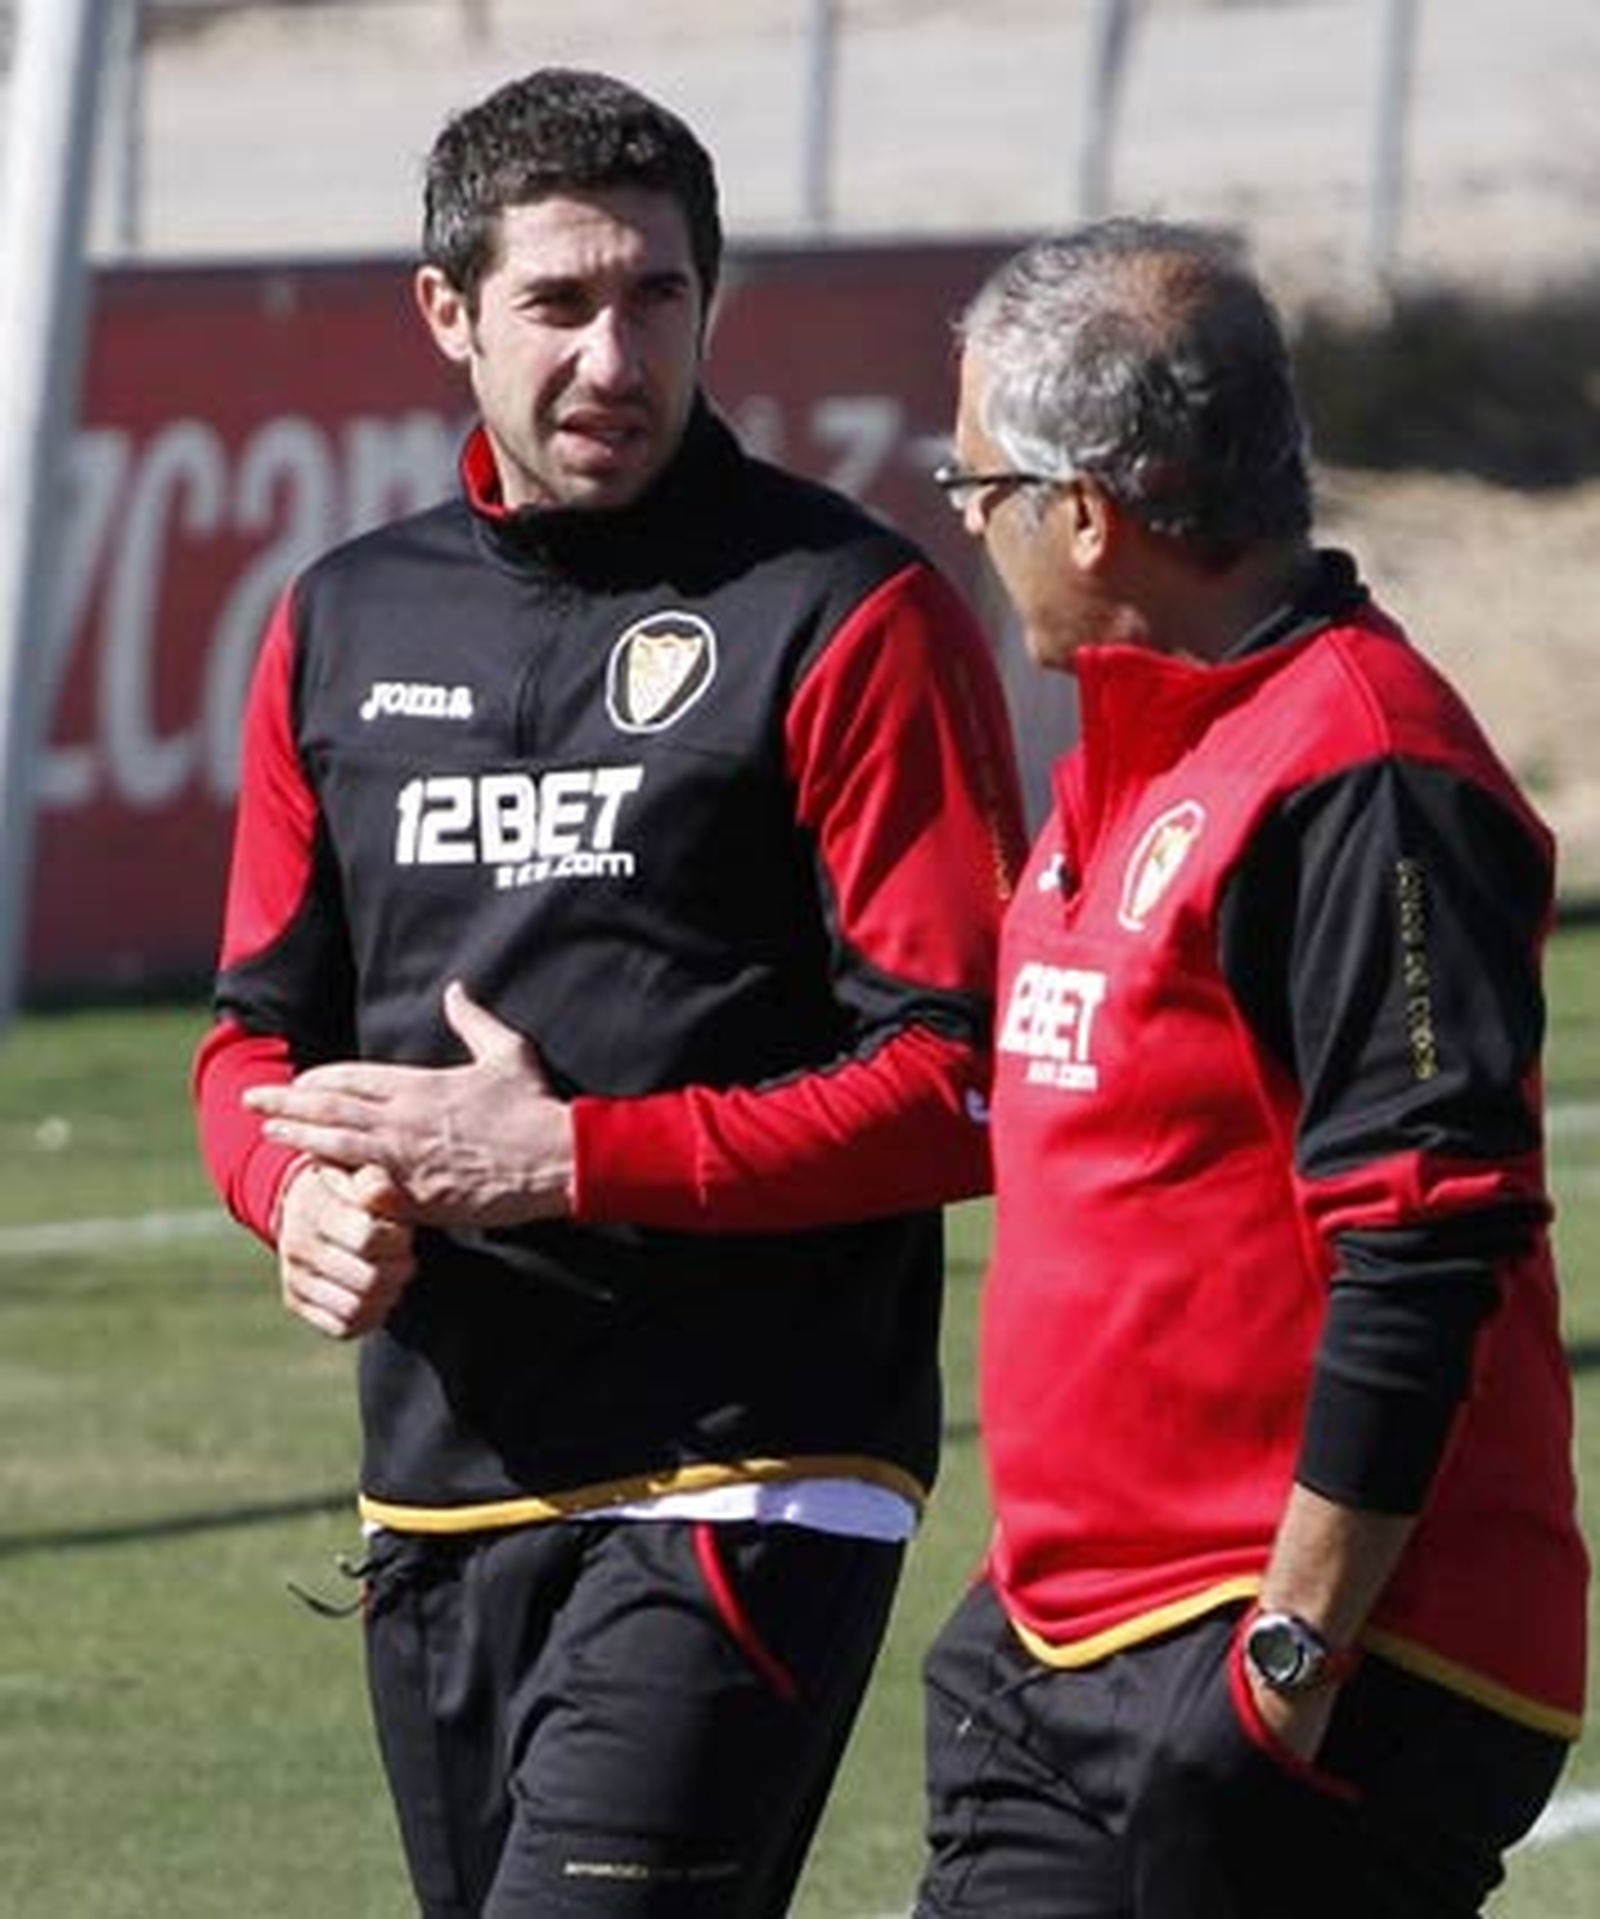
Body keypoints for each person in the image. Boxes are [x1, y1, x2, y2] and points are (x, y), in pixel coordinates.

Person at [192, 66, 1026, 1918]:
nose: (614, 354)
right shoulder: (339, 619)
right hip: (438, 1489)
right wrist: (298, 1197)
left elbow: (969, 1086)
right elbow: (254, 1037)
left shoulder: (846, 612)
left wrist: (577, 1156)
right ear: (447, 315)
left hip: (748, 1471)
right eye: (559, 303)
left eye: (656, 296)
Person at [914, 218, 1588, 1919]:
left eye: (977, 488)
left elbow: (1427, 1243)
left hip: (1286, 1667)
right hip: (1063, 1645)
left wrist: (1287, 1656)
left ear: (1086, 511)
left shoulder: (1360, 776)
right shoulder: (1137, 751)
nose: (972, 529)